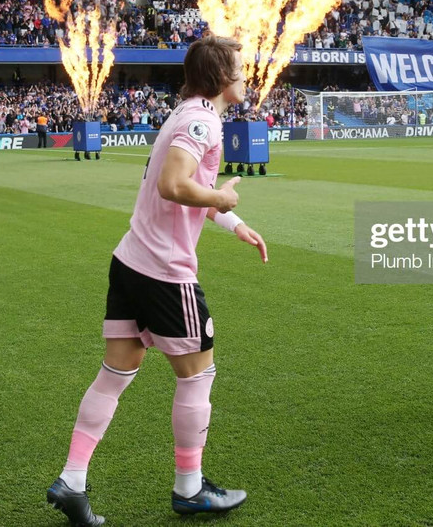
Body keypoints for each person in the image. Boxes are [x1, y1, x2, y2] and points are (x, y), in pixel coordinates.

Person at [47, 34, 268, 526]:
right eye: (238, 66)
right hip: (165, 272)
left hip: (130, 260)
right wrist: (222, 201)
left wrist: (232, 223)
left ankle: (72, 480)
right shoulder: (201, 120)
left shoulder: (184, 112)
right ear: (220, 76)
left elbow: (179, 187)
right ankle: (189, 489)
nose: (244, 74)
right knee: (198, 374)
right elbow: (174, 184)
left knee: (115, 374)